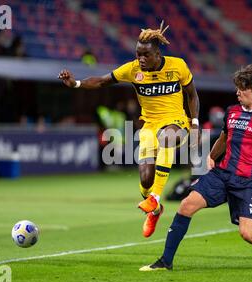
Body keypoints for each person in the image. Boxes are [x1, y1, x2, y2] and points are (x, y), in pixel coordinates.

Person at [140, 64, 252, 271]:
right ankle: (165, 261)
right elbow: (224, 138)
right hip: (222, 175)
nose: (237, 92)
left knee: (249, 234)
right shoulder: (231, 113)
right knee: (187, 205)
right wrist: (212, 156)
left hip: (249, 182)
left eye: (241, 89)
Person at [58, 21, 200, 238]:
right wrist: (75, 83)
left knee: (168, 138)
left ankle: (155, 198)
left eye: (146, 55)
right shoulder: (132, 70)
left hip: (176, 121)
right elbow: (101, 81)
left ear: (157, 53)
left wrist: (195, 123)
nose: (141, 59)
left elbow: (192, 94)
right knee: (145, 180)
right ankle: (155, 210)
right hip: (149, 126)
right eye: (138, 54)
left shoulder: (177, 66)